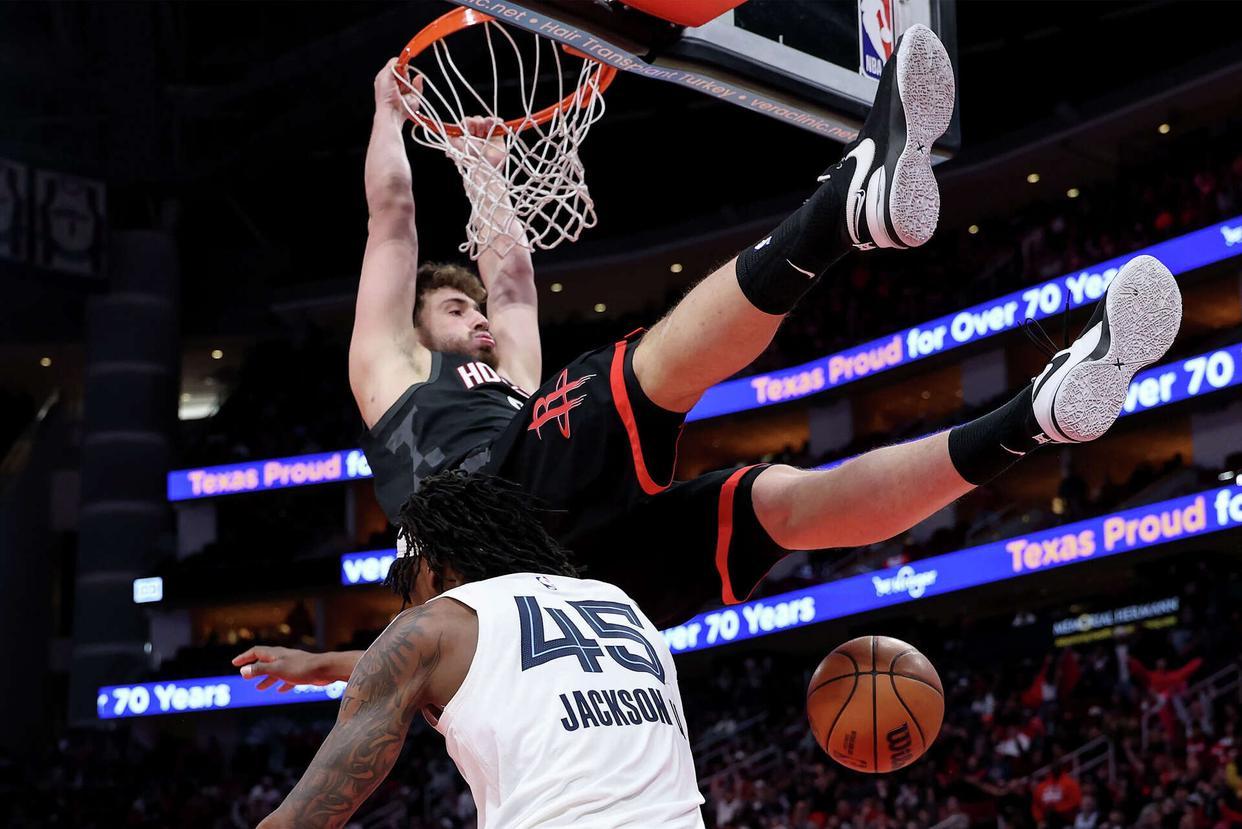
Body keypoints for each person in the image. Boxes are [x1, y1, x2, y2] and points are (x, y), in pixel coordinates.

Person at [349, 23, 1182, 631]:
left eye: (475, 308)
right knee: (629, 374)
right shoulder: (391, 371)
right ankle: (845, 204)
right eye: (455, 308)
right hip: (480, 541)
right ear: (415, 329)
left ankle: (1033, 418)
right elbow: (392, 220)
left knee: (779, 503)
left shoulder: (511, 389)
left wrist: (485, 173)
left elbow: (513, 283)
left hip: (577, 582)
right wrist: (389, 113)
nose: (480, 318)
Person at [252, 470, 704, 828]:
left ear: (432, 571)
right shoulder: (615, 601)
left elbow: (304, 819)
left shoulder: (432, 625)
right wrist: (327, 664)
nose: (408, 611)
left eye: (407, 593)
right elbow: (509, 663)